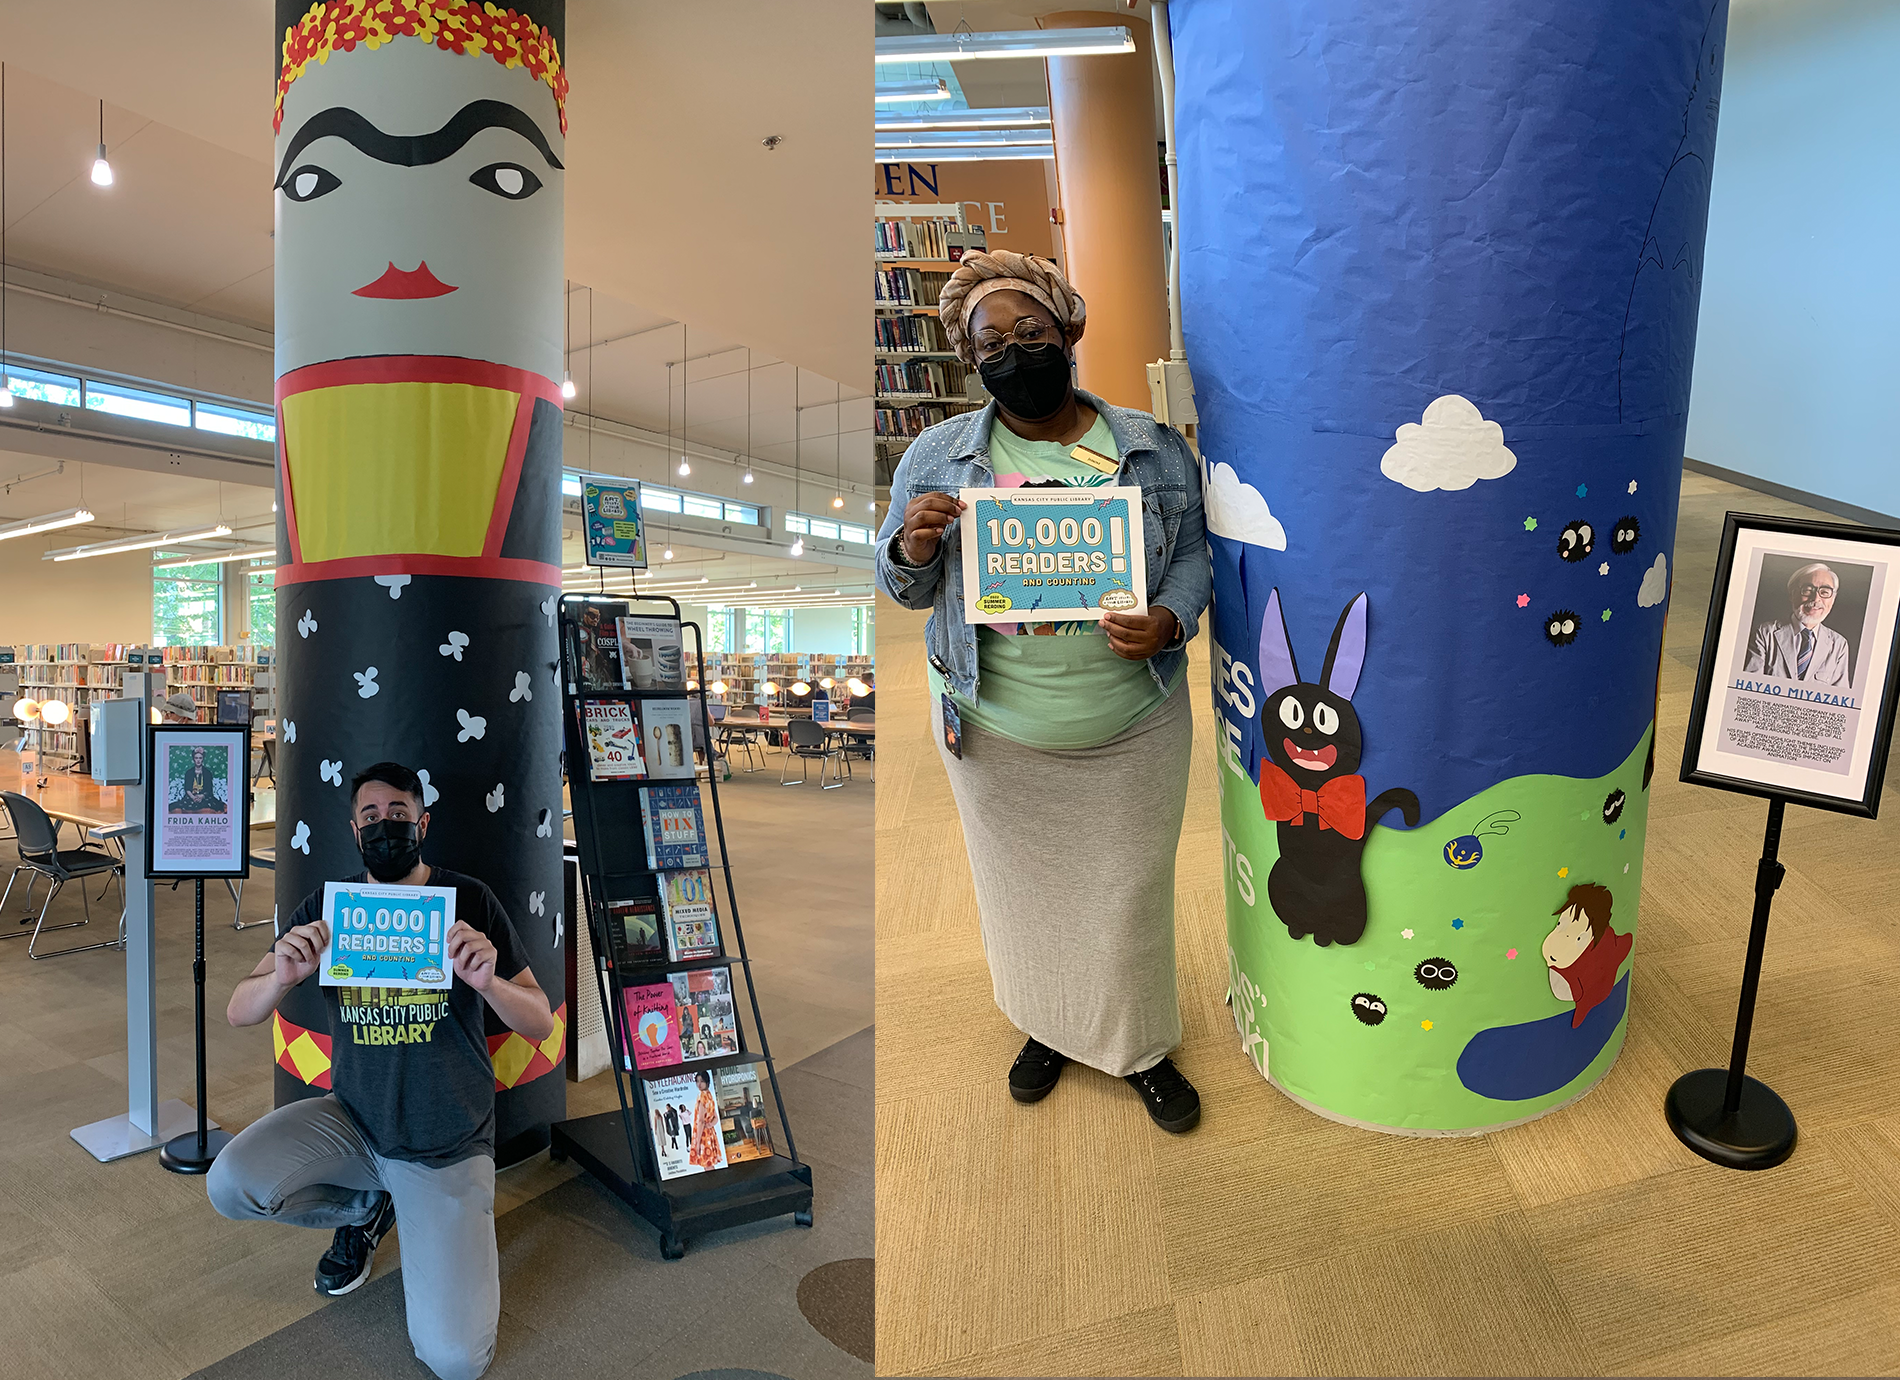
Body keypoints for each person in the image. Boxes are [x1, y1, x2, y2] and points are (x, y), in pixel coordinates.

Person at [874, 249, 1213, 1134]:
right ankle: (1047, 1027)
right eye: (992, 342)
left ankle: (1138, 1046)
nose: (1015, 352)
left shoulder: (1150, 447)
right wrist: (914, 547)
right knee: (1018, 894)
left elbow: (1193, 555)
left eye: (1032, 331)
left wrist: (1171, 620)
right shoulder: (938, 456)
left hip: (1131, 719)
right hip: (997, 731)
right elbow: (903, 586)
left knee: (1127, 893)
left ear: (1069, 330)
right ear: (968, 357)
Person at [207, 761, 553, 1380]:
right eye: (371, 817)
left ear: (423, 822)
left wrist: (489, 982)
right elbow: (238, 1010)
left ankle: (410, 1205)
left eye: (399, 814)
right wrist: (282, 975)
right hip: (354, 1122)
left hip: (447, 1141)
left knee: (456, 1361)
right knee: (231, 1184)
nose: (385, 827)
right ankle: (368, 1206)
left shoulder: (468, 898)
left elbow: (539, 1022)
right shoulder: (331, 905)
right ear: (353, 827)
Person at [1744, 562, 1850, 686]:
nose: (1816, 599)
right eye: (1807, 590)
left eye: (1825, 592)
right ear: (1792, 594)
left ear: (1833, 599)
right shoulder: (1764, 633)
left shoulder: (1839, 645)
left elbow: (1838, 700)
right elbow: (1749, 689)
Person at [687, 1069, 722, 1169]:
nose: (699, 1084)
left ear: (707, 1082)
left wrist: (697, 1143)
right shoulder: (709, 1095)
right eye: (697, 1081)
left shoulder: (702, 1096)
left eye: (701, 1081)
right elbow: (715, 1118)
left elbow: (701, 1121)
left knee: (707, 1165)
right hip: (710, 1134)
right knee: (709, 1163)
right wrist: (710, 1125)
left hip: (703, 1136)